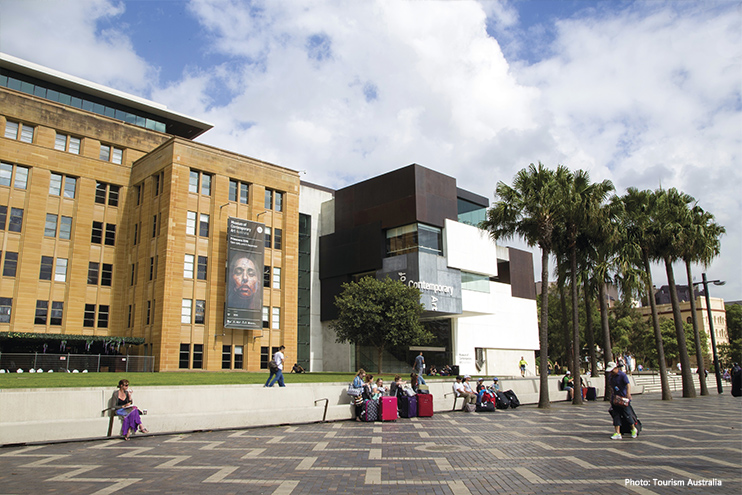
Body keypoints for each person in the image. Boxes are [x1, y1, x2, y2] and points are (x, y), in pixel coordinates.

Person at [606, 361, 637, 439]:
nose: (611, 372)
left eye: (612, 370)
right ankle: (617, 432)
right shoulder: (611, 377)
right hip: (616, 398)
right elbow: (612, 387)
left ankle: (633, 429)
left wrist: (628, 394)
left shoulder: (622, 375)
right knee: (616, 415)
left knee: (627, 414)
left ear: (616, 368)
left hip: (624, 398)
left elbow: (628, 384)